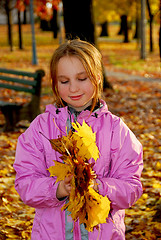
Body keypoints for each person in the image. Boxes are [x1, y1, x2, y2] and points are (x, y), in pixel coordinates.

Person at [14, 39, 143, 240]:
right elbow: (25, 183)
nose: (73, 88)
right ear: (55, 83)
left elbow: (131, 187)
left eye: (82, 78)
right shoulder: (41, 129)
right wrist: (57, 189)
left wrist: (100, 187)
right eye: (64, 81)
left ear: (98, 77)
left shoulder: (117, 131)